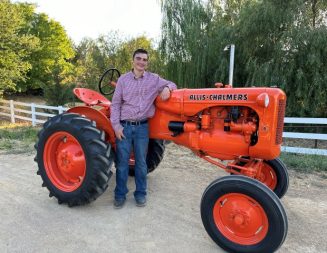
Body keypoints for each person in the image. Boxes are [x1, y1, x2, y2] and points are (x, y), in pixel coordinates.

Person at [110, 48, 177, 208]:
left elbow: (172, 83)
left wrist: (167, 88)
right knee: (122, 163)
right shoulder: (123, 80)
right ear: (133, 61)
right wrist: (116, 126)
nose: (141, 62)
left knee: (141, 163)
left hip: (142, 127)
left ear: (147, 63)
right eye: (138, 59)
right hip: (125, 127)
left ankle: (140, 194)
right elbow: (116, 104)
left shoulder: (154, 79)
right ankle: (120, 194)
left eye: (144, 60)